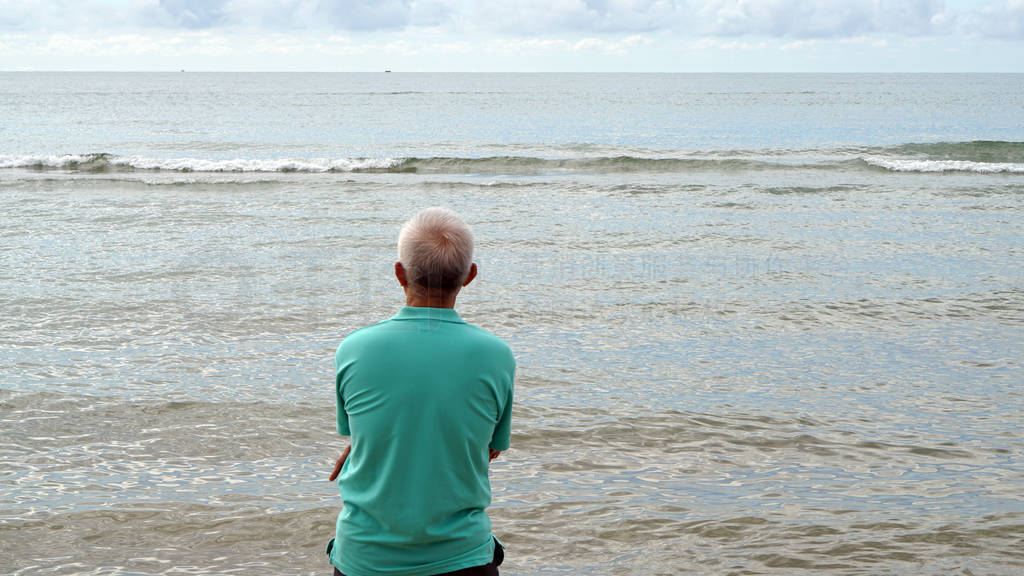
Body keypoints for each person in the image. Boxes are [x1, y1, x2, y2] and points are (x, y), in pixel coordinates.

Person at [326, 207, 515, 576]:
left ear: (399, 273)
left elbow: (357, 428)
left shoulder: (354, 350)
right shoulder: (496, 355)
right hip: (463, 560)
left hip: (365, 560)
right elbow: (487, 448)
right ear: (470, 276)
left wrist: (376, 440)